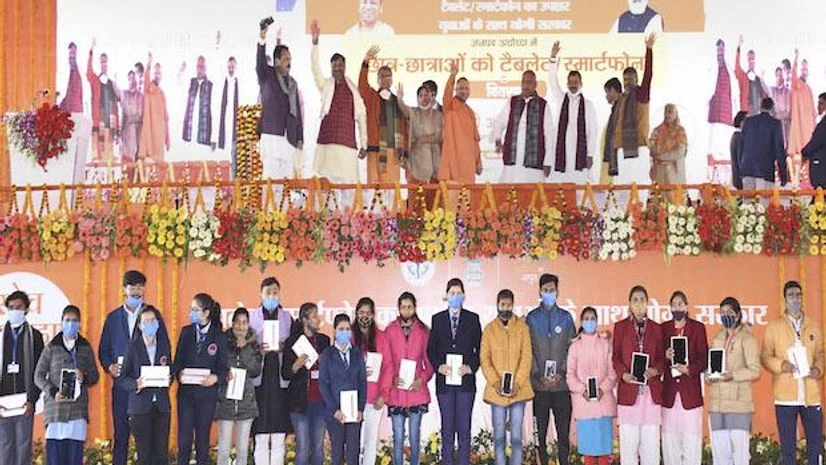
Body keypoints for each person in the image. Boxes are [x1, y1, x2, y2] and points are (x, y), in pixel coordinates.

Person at [99, 270, 169, 465]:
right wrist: (109, 366)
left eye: (140, 286)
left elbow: (165, 347)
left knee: (149, 444)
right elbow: (103, 350)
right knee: (121, 435)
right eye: (133, 286)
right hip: (123, 386)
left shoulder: (153, 315)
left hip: (148, 390)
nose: (137, 291)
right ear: (124, 289)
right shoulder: (112, 318)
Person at [761, 280, 825, 465]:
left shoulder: (814, 326)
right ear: (784, 299)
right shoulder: (774, 327)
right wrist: (782, 365)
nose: (795, 299)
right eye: (791, 295)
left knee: (816, 445)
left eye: (798, 295)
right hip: (785, 396)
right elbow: (765, 356)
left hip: (811, 396)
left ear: (802, 297)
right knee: (788, 449)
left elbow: (821, 353)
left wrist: (818, 369)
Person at [34, 305, 100, 465]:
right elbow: (38, 376)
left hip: (77, 412)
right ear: (61, 322)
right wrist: (52, 391)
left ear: (80, 323)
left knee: (74, 458)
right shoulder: (51, 347)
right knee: (55, 459)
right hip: (55, 411)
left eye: (75, 320)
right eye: (68, 320)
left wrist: (83, 376)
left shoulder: (85, 347)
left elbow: (95, 376)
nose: (71, 324)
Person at [426, 278, 482, 465]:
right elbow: (430, 350)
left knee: (464, 430)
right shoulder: (438, 319)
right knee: (447, 430)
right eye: (452, 293)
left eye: (459, 293)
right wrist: (438, 366)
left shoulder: (473, 319)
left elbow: (481, 349)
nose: (455, 296)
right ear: (446, 296)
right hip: (445, 384)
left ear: (464, 296)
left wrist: (471, 367)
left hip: (465, 384)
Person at [310, 20, 368, 186]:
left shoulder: (353, 90)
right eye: (334, 65)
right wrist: (315, 44)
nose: (337, 68)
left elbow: (362, 117)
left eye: (340, 65)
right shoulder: (326, 85)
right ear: (331, 68)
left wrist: (364, 144)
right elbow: (315, 70)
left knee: (348, 188)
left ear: (345, 67)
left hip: (347, 144)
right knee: (327, 187)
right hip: (328, 142)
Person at [525, 274, 575, 465]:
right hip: (540, 389)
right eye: (545, 290)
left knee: (563, 435)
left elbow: (572, 350)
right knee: (541, 437)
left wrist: (561, 373)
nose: (549, 293)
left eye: (552, 290)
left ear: (557, 292)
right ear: (539, 291)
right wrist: (537, 375)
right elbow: (527, 350)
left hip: (562, 388)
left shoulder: (566, 318)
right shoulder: (531, 318)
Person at [480, 289, 534, 465]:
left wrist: (517, 383)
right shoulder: (489, 330)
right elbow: (484, 358)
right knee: (499, 437)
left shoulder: (522, 328)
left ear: (513, 305)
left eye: (509, 304)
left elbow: (527, 357)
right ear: (497, 305)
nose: (505, 308)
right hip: (496, 393)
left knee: (517, 438)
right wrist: (495, 382)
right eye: (502, 304)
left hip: (519, 391)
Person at [174, 293, 228, 465]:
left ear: (206, 313)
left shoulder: (219, 335)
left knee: (202, 439)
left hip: (207, 397)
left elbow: (223, 369)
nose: (191, 313)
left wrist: (216, 378)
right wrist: (179, 374)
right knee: (184, 440)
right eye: (191, 310)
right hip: (186, 395)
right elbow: (177, 362)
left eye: (195, 310)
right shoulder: (186, 332)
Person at [613, 285, 664, 465]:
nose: (639, 303)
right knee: (628, 449)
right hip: (629, 393)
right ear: (629, 304)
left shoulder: (657, 329)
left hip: (651, 395)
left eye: (642, 299)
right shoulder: (620, 328)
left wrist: (655, 370)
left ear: (648, 303)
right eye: (635, 300)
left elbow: (662, 358)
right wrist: (624, 374)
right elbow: (615, 357)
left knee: (651, 450)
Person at [707, 297, 761, 465]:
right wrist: (709, 375)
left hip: (739, 404)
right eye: (722, 313)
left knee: (740, 455)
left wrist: (733, 375)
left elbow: (755, 370)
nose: (725, 316)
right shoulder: (717, 338)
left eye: (729, 312)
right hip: (717, 404)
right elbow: (712, 366)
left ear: (738, 315)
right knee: (720, 455)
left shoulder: (747, 338)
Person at [382, 292, 434, 465]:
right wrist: (392, 379)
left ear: (414, 308)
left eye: (409, 307)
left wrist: (422, 378)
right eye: (403, 307)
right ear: (398, 309)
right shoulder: (389, 331)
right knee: (397, 437)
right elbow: (385, 361)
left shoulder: (424, 331)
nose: (406, 310)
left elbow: (430, 362)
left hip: (416, 392)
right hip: (397, 392)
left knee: (414, 436)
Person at [117, 306, 172, 465]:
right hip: (140, 408)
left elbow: (171, 368)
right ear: (140, 325)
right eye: (146, 321)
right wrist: (135, 384)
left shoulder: (164, 345)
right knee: (145, 455)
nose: (150, 324)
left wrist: (169, 377)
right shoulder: (133, 347)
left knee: (162, 454)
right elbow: (123, 377)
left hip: (161, 406)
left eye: (153, 320)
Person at [249, 277, 293, 465]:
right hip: (260, 381)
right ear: (261, 294)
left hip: (280, 381)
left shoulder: (288, 317)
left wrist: (284, 347)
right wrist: (258, 348)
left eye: (275, 292)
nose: (272, 296)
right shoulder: (251, 317)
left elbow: (294, 346)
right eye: (268, 292)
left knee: (278, 435)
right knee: (260, 435)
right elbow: (243, 347)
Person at [660, 292, 708, 465]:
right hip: (669, 395)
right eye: (674, 304)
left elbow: (704, 359)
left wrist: (689, 369)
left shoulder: (698, 328)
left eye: (681, 304)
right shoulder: (663, 328)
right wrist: (664, 355)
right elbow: (656, 360)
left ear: (687, 307)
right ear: (670, 308)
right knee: (669, 443)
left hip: (691, 394)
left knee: (692, 443)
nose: (677, 307)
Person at [567, 307, 616, 465]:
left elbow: (612, 373)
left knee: (604, 454)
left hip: (604, 406)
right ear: (581, 322)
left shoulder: (605, 344)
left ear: (597, 321)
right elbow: (570, 376)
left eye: (592, 318)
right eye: (586, 318)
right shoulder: (575, 347)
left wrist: (602, 389)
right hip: (585, 406)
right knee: (588, 455)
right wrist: (583, 390)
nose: (590, 321)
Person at [283, 303, 330, 465]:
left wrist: (326, 364)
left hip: (321, 403)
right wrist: (296, 365)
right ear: (305, 320)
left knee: (317, 447)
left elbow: (330, 373)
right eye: (314, 316)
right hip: (300, 403)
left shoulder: (324, 341)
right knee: (302, 447)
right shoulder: (292, 342)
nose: (318, 320)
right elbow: (285, 373)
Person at [548, 41, 599, 185]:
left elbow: (593, 132)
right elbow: (552, 81)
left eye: (576, 81)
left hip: (580, 155)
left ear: (581, 83)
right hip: (563, 153)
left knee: (580, 188)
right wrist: (552, 58)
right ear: (567, 83)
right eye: (570, 82)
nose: (573, 84)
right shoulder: (561, 98)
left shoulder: (588, 105)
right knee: (562, 189)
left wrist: (590, 154)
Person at [320, 314, 368, 465]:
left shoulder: (357, 353)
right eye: (341, 329)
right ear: (334, 331)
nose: (345, 332)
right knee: (337, 455)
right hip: (335, 413)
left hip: (354, 413)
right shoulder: (327, 354)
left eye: (347, 329)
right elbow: (323, 384)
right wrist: (334, 410)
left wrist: (360, 408)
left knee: (353, 454)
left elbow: (362, 383)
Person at [216, 308, 263, 465]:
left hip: (246, 404)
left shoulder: (254, 345)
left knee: (242, 450)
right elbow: (216, 367)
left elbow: (255, 371)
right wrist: (224, 376)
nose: (241, 327)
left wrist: (245, 348)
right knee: (224, 448)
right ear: (233, 323)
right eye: (238, 322)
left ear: (248, 325)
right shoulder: (222, 342)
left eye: (244, 323)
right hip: (225, 402)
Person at [492, 69, 554, 184]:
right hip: (513, 158)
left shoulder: (543, 105)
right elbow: (499, 122)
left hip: (534, 162)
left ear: (535, 85)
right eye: (524, 82)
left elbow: (549, 135)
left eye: (530, 82)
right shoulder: (513, 101)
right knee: (509, 193)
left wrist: (548, 161)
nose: (526, 85)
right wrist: (497, 138)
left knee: (533, 196)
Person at [258, 25, 304, 180]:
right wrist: (262, 38)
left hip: (288, 138)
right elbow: (260, 63)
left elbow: (297, 113)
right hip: (271, 136)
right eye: (285, 59)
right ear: (276, 61)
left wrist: (300, 138)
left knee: (286, 183)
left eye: (290, 59)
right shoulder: (268, 76)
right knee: (270, 182)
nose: (289, 62)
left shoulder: (293, 84)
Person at [612, 34, 657, 186]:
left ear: (636, 80)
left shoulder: (641, 94)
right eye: (625, 79)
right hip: (622, 149)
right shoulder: (622, 99)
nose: (627, 82)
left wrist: (649, 50)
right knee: (621, 190)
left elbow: (649, 75)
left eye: (630, 79)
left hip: (639, 148)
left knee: (640, 189)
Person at [360, 45, 408, 185]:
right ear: (378, 79)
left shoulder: (398, 101)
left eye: (388, 76)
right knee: (374, 190)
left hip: (393, 152)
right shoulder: (372, 97)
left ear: (392, 79)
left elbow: (404, 128)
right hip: (375, 149)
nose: (386, 79)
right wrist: (366, 62)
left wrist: (404, 151)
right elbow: (362, 84)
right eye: (382, 76)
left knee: (392, 190)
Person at [353, 298, 386, 465]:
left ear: (373, 315)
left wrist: (384, 394)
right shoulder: (349, 336)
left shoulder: (381, 337)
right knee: (354, 444)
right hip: (353, 398)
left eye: (368, 313)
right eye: (361, 312)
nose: (364, 316)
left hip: (375, 399)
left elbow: (389, 368)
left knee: (370, 443)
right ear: (356, 314)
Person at [438, 61, 482, 186]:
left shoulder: (471, 112)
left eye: (466, 88)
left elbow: (475, 141)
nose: (464, 91)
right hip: (453, 167)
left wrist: (478, 163)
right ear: (456, 90)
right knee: (450, 204)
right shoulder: (450, 105)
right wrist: (452, 76)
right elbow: (446, 94)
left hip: (468, 168)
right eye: (461, 88)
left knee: (466, 204)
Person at [738, 97, 788, 190]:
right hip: (766, 170)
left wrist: (741, 168)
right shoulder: (775, 124)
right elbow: (779, 150)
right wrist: (783, 176)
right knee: (764, 203)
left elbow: (741, 146)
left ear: (760, 107)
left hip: (747, 168)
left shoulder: (748, 122)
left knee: (747, 203)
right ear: (772, 108)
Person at [87, 38, 121, 162]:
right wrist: (91, 51)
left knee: (109, 160)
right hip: (98, 124)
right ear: (99, 64)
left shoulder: (112, 84)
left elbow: (116, 109)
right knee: (97, 159)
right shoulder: (95, 81)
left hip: (109, 126)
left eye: (105, 62)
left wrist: (117, 129)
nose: (104, 65)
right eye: (102, 62)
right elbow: (88, 72)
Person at [403, 85, 443, 184]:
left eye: (426, 95)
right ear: (418, 98)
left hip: (433, 160)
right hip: (415, 160)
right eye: (421, 95)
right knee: (415, 194)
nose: (424, 98)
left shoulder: (438, 115)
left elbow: (439, 136)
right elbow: (403, 109)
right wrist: (399, 99)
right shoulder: (414, 112)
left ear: (431, 96)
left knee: (432, 196)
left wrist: (422, 139)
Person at [789, 51, 817, 189]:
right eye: (802, 69)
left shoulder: (809, 88)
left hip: (809, 129)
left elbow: (813, 111)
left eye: (806, 69)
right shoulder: (797, 84)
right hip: (800, 130)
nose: (804, 72)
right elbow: (793, 78)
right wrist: (795, 59)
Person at [137, 53, 170, 163]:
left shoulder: (162, 94)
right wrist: (149, 63)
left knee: (159, 167)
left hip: (159, 136)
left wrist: (167, 138)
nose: (157, 75)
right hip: (150, 134)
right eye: (155, 72)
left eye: (159, 73)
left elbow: (166, 119)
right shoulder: (148, 88)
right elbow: (146, 77)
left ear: (162, 75)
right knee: (146, 165)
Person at [648, 104, 687, 188]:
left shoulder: (680, 131)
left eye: (670, 112)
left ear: (676, 114)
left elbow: (680, 152)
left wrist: (662, 157)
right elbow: (650, 147)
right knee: (658, 198)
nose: (667, 115)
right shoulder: (657, 130)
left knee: (675, 198)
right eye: (666, 112)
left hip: (674, 170)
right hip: (659, 170)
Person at [182, 55, 215, 148]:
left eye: (202, 67)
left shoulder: (211, 86)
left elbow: (214, 112)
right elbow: (178, 82)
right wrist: (181, 70)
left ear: (205, 69)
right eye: (198, 67)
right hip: (188, 136)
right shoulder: (191, 82)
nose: (199, 70)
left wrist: (213, 138)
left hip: (203, 137)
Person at [734, 36, 770, 116]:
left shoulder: (758, 79)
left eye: (752, 59)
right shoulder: (743, 77)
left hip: (757, 116)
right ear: (746, 61)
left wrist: (763, 80)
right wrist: (738, 48)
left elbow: (766, 95)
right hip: (746, 115)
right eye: (749, 59)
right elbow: (737, 67)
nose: (751, 61)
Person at [601, 77, 624, 183]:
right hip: (616, 155)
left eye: (607, 92)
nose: (606, 96)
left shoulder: (623, 106)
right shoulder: (617, 106)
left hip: (621, 155)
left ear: (613, 90)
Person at [802, 93, 826, 188]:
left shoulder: (824, 123)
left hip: (821, 166)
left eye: (821, 103)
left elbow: (817, 142)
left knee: (819, 195)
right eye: (818, 103)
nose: (818, 107)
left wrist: (804, 152)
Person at [120, 70, 144, 163]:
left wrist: (131, 119)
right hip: (126, 135)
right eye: (130, 79)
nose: (132, 81)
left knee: (135, 162)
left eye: (133, 78)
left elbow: (140, 115)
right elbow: (123, 116)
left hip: (136, 135)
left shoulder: (140, 96)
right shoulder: (125, 94)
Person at [770, 67, 792, 146]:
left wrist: (780, 115)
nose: (780, 78)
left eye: (781, 75)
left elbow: (789, 111)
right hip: (775, 126)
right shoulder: (772, 91)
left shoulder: (788, 92)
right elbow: (771, 111)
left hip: (786, 126)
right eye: (778, 75)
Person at [730, 111, 748, 189]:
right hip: (743, 180)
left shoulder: (736, 137)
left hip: (739, 179)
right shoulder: (740, 138)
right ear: (742, 123)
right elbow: (741, 160)